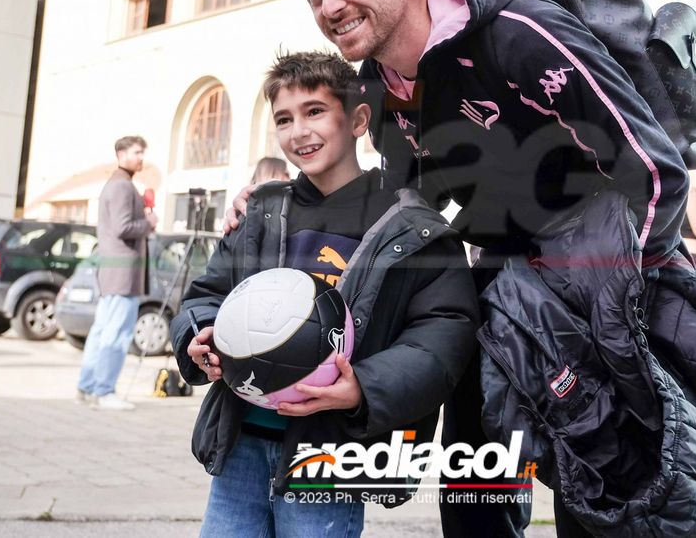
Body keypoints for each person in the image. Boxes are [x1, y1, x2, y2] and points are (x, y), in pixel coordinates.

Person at [226, 0, 696, 537]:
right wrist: (281, 200)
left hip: (606, 279)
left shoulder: (519, 32)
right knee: (474, 490)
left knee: (611, 499)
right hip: (501, 290)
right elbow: (410, 207)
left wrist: (617, 300)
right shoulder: (379, 86)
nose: (329, 7)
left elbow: (654, 169)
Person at [171, 52, 478, 538]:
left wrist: (364, 388)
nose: (299, 132)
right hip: (241, 440)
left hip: (330, 454)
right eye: (284, 119)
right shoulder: (260, 212)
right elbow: (205, 296)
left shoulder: (413, 227)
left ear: (357, 119)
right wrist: (199, 336)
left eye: (315, 111)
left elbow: (445, 334)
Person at [76, 135, 158, 410]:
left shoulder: (115, 184)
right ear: (121, 155)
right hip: (123, 273)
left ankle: (88, 387)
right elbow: (124, 228)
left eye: (142, 153)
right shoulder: (123, 187)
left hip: (113, 271)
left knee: (102, 331)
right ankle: (104, 391)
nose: (140, 158)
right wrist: (148, 222)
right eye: (136, 152)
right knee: (116, 333)